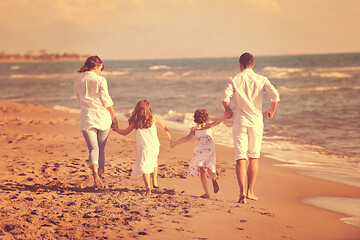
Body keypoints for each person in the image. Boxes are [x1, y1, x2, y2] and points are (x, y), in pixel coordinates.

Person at [222, 52, 280, 204]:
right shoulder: (262, 79)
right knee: (254, 157)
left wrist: (228, 110)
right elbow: (275, 95)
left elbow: (225, 98)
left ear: (240, 65)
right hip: (255, 122)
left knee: (240, 157)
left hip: (240, 121)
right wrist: (271, 111)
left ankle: (241, 192)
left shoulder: (234, 79)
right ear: (253, 64)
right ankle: (250, 191)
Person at [74, 56, 118, 189]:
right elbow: (106, 100)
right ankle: (100, 173)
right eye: (101, 68)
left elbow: (79, 100)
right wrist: (114, 118)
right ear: (97, 66)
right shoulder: (100, 80)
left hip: (87, 118)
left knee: (93, 148)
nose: (101, 71)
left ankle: (95, 175)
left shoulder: (78, 81)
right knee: (101, 149)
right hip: (102, 118)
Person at [112, 99, 171, 196]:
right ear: (149, 109)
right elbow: (165, 129)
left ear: (137, 109)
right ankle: (155, 183)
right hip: (155, 146)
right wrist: (170, 140)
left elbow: (125, 133)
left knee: (145, 167)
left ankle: (148, 188)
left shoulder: (135, 122)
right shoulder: (154, 119)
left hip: (144, 148)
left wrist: (116, 129)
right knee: (154, 163)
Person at [171, 109, 228, 198]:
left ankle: (206, 192)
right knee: (210, 166)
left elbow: (187, 139)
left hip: (200, 151)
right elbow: (217, 122)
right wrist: (224, 117)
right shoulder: (209, 126)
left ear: (195, 119)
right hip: (210, 149)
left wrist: (175, 143)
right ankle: (213, 178)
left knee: (202, 171)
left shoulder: (194, 129)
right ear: (206, 118)